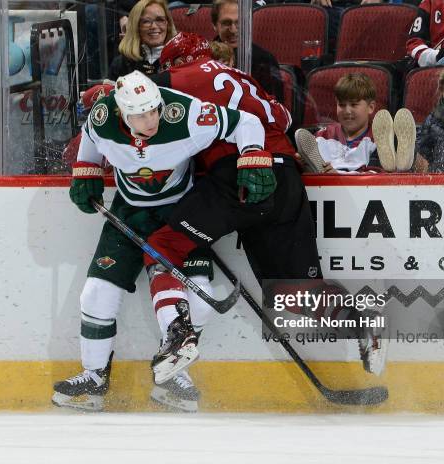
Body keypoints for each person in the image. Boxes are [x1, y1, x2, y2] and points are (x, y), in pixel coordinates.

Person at [149, 32, 388, 404]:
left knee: (162, 246)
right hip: (287, 180)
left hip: (241, 177)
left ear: (178, 61)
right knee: (289, 294)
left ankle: (178, 338)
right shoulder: (243, 79)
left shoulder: (185, 75)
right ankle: (363, 324)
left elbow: (134, 97)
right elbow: (285, 118)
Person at [51, 70, 269, 412]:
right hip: (128, 212)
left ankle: (171, 373)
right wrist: (86, 171)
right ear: (123, 113)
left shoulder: (186, 115)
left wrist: (253, 157)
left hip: (181, 214)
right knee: (96, 295)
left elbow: (247, 123)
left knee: (201, 301)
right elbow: (91, 140)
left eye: (154, 109)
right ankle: (93, 378)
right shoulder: (103, 117)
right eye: (140, 114)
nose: (151, 119)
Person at [294, 73, 416, 174]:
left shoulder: (379, 137)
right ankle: (402, 167)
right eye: (341, 105)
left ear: (371, 107)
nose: (347, 111)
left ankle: (403, 166)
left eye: (354, 104)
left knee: (380, 170)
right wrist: (302, 163)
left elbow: (371, 178)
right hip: (326, 192)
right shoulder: (322, 136)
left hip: (364, 191)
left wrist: (338, 176)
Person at [211, 0, 284, 101]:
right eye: (226, 23)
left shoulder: (265, 60)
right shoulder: (203, 57)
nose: (233, 30)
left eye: (239, 22)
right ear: (214, 25)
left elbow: (275, 108)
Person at [108, 0, 177, 80]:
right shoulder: (120, 64)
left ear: (167, 24)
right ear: (136, 27)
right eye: (146, 21)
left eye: (160, 20)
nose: (154, 26)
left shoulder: (181, 59)